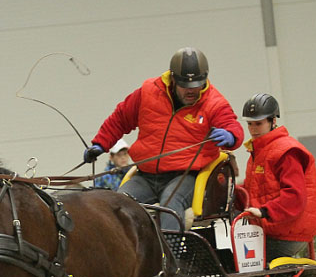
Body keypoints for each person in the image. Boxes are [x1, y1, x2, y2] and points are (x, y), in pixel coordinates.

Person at [83, 47, 243, 230]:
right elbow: (120, 118)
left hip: (185, 176)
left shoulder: (214, 102)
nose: (191, 91)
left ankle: (172, 255)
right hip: (146, 176)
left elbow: (232, 124)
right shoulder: (148, 92)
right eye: (185, 85)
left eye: (197, 85)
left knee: (170, 203)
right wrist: (99, 144)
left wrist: (231, 136)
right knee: (118, 204)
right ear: (173, 79)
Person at [238, 93, 316, 262]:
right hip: (274, 228)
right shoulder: (259, 152)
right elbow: (253, 190)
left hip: (288, 231)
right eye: (250, 124)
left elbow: (295, 197)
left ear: (273, 121)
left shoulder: (285, 151)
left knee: (241, 263)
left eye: (259, 123)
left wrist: (264, 211)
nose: (253, 129)